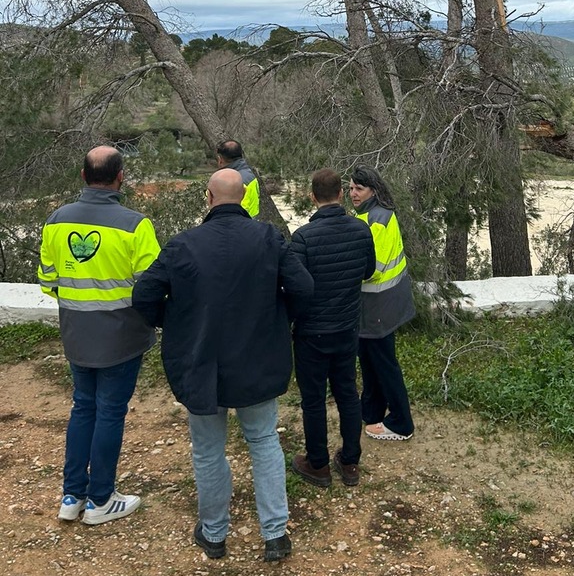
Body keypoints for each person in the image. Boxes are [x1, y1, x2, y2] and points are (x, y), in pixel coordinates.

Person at [132, 168, 313, 564]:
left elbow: (144, 295)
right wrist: (279, 321)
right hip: (258, 362)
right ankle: (275, 534)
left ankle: (214, 535)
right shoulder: (269, 239)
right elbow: (303, 289)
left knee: (208, 451)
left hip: (201, 364)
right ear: (244, 196)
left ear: (208, 198)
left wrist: (174, 322)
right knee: (264, 441)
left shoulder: (183, 244)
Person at [38, 145, 160, 525]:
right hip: (121, 337)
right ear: (121, 176)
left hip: (76, 334)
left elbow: (48, 281)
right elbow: (152, 287)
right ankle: (101, 500)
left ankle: (72, 495)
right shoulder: (135, 224)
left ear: (82, 176)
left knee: (82, 407)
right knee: (110, 412)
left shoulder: (57, 220)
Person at [288, 168, 376, 488]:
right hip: (347, 328)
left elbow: (296, 287)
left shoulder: (303, 238)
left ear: (312, 197)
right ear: (341, 194)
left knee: (313, 400)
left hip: (312, 333)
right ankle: (350, 462)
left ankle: (318, 464)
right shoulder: (361, 230)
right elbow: (368, 272)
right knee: (348, 394)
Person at [348, 164, 415, 442]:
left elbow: (372, 268)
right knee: (369, 358)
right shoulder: (365, 214)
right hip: (373, 304)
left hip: (380, 305)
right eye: (350, 187)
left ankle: (401, 422)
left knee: (384, 363)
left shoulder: (379, 219)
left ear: (373, 190)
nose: (352, 193)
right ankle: (371, 410)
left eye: (358, 189)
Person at [216, 139, 260, 218]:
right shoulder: (249, 174)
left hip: (239, 224)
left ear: (220, 160)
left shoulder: (231, 180)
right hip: (251, 222)